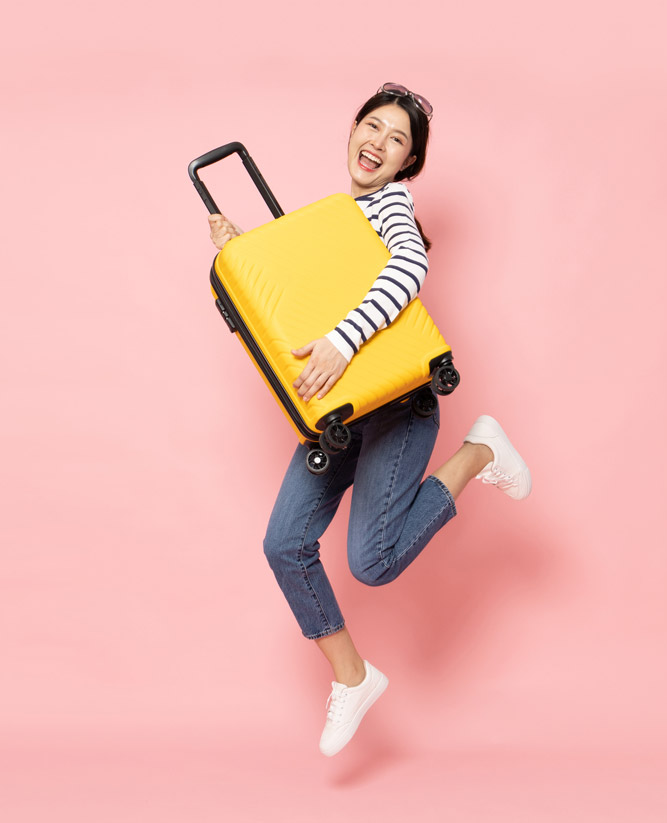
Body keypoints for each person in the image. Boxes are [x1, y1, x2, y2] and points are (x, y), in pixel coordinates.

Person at [206, 84, 534, 757]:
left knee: (372, 562)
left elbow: (411, 265)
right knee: (284, 543)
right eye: (373, 127)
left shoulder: (391, 205)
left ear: (406, 165)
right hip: (340, 414)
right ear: (352, 128)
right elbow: (288, 314)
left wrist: (342, 339)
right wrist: (240, 255)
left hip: (399, 404)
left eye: (397, 143)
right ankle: (353, 679)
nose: (378, 145)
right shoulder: (330, 222)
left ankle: (478, 451)